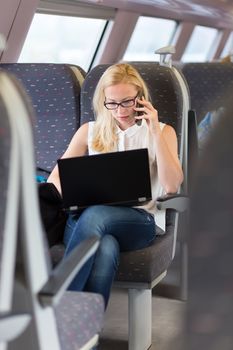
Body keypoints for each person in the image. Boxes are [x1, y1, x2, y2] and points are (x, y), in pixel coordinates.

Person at [47, 63, 183, 308]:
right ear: (104, 101)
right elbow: (55, 179)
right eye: (112, 103)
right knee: (106, 248)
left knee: (97, 214)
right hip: (85, 221)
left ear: (140, 98)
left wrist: (153, 132)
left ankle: (60, 309)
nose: (119, 110)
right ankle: (86, 337)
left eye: (127, 102)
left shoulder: (164, 132)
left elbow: (172, 186)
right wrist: (71, 192)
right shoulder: (89, 132)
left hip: (138, 221)